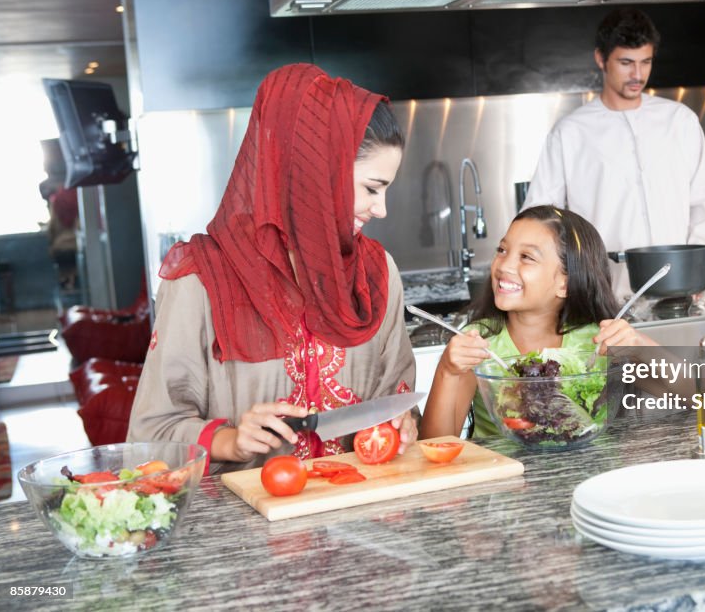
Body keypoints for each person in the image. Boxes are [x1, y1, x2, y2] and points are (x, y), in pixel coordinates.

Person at [128, 63, 417, 474]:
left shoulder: (377, 273)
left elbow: (397, 397)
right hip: (246, 528)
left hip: (360, 515)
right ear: (316, 175)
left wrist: (400, 424)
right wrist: (230, 440)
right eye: (371, 188)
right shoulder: (201, 281)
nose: (381, 209)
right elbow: (150, 436)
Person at [522, 7, 705, 298]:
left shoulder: (680, 122)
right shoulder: (571, 133)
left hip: (681, 295)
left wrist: (701, 274)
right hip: (604, 299)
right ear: (601, 59)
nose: (638, 74)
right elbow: (538, 221)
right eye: (626, 63)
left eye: (646, 62)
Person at [419, 206, 657, 439]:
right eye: (502, 250)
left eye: (526, 257)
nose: (504, 265)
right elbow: (434, 445)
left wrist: (642, 348)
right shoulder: (478, 342)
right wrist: (447, 371)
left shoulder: (599, 340)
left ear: (565, 284)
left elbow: (694, 394)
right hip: (506, 474)